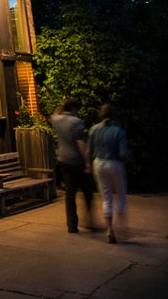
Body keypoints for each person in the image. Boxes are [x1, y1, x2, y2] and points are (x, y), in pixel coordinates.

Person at [51, 97, 95, 233]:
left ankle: (72, 224)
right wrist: (87, 161)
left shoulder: (56, 119)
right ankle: (89, 219)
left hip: (63, 159)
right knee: (87, 190)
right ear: (74, 108)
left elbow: (54, 115)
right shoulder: (76, 122)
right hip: (76, 160)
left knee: (70, 193)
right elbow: (80, 143)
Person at [88, 103, 130, 244]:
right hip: (115, 163)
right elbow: (123, 153)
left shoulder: (93, 130)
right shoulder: (119, 131)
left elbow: (90, 150)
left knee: (106, 198)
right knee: (121, 195)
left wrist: (88, 164)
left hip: (99, 163)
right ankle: (121, 227)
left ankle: (109, 230)